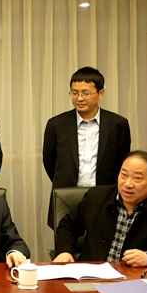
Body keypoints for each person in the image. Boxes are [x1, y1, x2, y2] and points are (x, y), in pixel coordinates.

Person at [53, 151, 147, 267]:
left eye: (137, 178)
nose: (127, 184)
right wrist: (65, 251)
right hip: (91, 277)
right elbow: (68, 225)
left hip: (136, 283)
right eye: (124, 175)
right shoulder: (96, 197)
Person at [43, 66, 131, 228]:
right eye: (74, 93)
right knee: (66, 240)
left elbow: (122, 163)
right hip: (66, 197)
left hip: (105, 197)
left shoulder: (118, 124)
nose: (79, 98)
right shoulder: (57, 124)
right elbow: (50, 162)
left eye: (85, 93)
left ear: (101, 93)